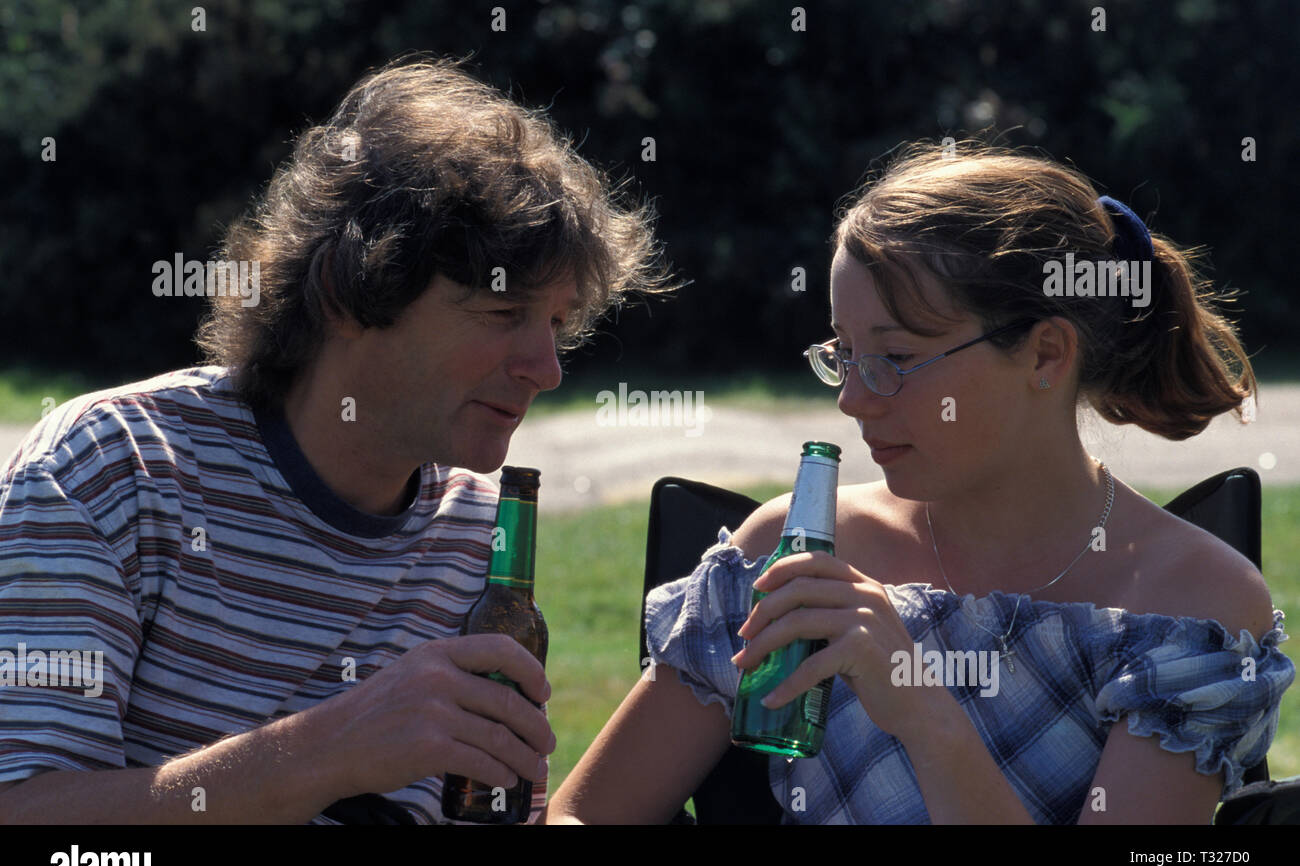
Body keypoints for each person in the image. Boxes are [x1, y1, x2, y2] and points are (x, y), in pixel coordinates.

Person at [0, 56, 671, 824]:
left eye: (556, 322)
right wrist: (327, 750)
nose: (546, 368)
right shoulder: (110, 472)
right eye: (501, 313)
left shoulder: (478, 529)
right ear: (348, 295)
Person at [546, 139, 1295, 824]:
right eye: (843, 354)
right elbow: (582, 813)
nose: (852, 398)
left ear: (1044, 356)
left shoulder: (1190, 603)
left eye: (896, 359)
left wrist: (921, 710)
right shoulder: (791, 554)